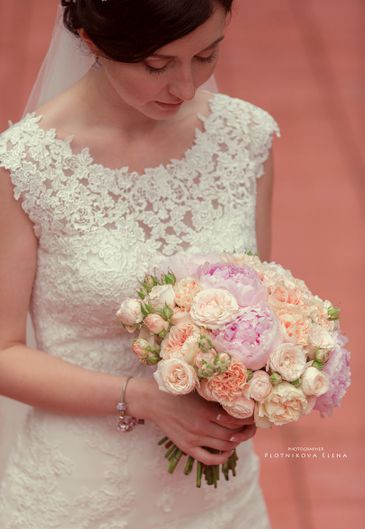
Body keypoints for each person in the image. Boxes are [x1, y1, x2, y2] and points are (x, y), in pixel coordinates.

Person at [0, 1, 279, 527]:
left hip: (220, 492)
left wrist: (268, 376)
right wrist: (144, 399)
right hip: (82, 490)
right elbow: (3, 350)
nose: (186, 86)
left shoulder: (247, 137)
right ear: (90, 38)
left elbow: (262, 298)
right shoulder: (24, 166)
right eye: (156, 65)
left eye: (206, 55)